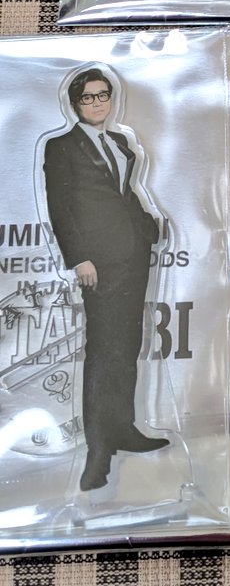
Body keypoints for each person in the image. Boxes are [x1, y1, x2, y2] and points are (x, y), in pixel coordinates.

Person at [42, 67, 167, 491]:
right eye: (88, 97)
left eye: (103, 95)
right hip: (98, 262)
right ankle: (97, 452)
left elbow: (121, 192)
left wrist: (148, 224)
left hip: (133, 254)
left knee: (127, 345)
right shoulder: (62, 146)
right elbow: (60, 206)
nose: (97, 103)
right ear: (75, 103)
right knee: (101, 352)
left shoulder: (119, 142)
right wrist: (79, 258)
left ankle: (124, 429)